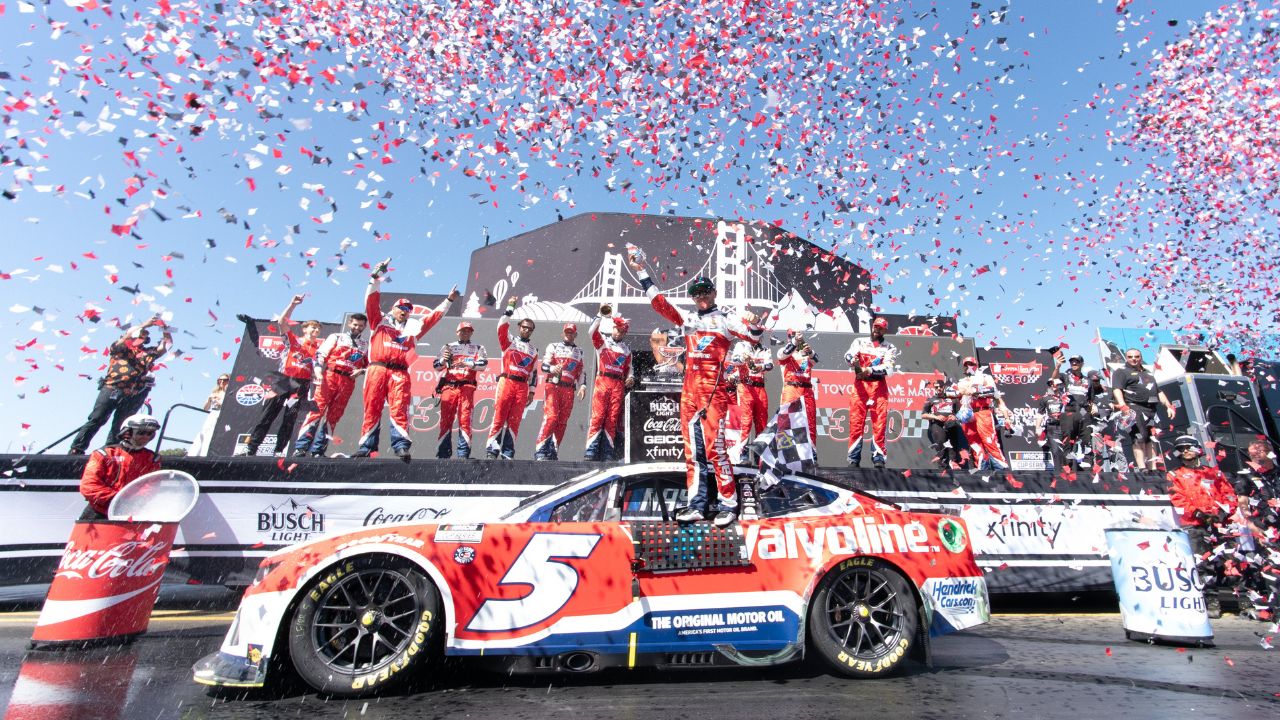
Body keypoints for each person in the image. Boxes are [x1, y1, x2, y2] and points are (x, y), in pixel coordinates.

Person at [628, 250, 762, 527]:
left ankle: (729, 503)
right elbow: (659, 303)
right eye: (696, 293)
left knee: (716, 451)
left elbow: (754, 336)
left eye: (705, 292)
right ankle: (696, 505)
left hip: (714, 393)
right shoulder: (687, 319)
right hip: (689, 393)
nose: (701, 297)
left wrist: (754, 322)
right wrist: (642, 269)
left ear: (713, 293)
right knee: (693, 454)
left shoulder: (726, 319)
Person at [357, 260, 459, 461]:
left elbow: (433, 317)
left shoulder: (413, 328)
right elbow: (371, 299)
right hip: (377, 369)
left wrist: (448, 300)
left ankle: (401, 446)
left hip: (400, 372)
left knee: (400, 408)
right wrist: (376, 277)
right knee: (372, 407)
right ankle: (367, 447)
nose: (404, 310)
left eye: (408, 308)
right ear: (394, 309)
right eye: (401, 307)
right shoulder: (379, 321)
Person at [69, 318, 173, 455]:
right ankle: (77, 449)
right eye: (140, 333)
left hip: (133, 394)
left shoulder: (147, 353)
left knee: (121, 424)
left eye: (145, 334)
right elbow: (125, 339)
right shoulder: (121, 348)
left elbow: (166, 345)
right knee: (97, 418)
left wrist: (164, 328)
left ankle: (111, 451)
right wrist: (145, 324)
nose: (142, 335)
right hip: (112, 388)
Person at [1166, 434, 1238, 618]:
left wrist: (1224, 512)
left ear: (1198, 449)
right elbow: (1178, 499)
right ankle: (1211, 601)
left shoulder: (1214, 472)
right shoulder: (1175, 475)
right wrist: (1198, 513)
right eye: (1181, 449)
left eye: (1188, 447)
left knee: (1232, 561)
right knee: (1204, 564)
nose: (1185, 451)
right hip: (1195, 525)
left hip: (1220, 524)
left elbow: (1229, 494)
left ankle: (1244, 600)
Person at [240, 295, 321, 457]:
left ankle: (279, 451)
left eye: (318, 329)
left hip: (301, 385)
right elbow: (281, 322)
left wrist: (315, 375)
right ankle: (251, 448)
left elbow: (317, 367)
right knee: (267, 415)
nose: (316, 331)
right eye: (312, 328)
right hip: (284, 380)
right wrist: (292, 304)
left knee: (289, 419)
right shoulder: (293, 339)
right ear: (304, 329)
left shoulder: (318, 348)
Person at [293, 312, 369, 457]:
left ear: (364, 327)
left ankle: (318, 450)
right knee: (316, 411)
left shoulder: (365, 345)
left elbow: (370, 365)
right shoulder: (336, 337)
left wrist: (361, 370)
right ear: (349, 324)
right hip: (330, 376)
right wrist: (318, 371)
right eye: (354, 324)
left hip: (347, 382)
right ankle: (301, 447)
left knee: (334, 416)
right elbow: (320, 355)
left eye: (360, 326)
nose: (357, 328)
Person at [78, 414, 162, 520]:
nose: (146, 436)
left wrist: (133, 502)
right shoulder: (104, 454)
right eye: (141, 432)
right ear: (127, 432)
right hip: (98, 513)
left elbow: (152, 487)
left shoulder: (152, 459)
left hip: (131, 514)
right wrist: (117, 500)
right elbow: (89, 486)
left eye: (150, 433)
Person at [486, 296, 539, 459]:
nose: (527, 330)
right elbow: (501, 326)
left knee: (515, 421)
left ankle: (507, 452)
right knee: (500, 416)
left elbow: (534, 373)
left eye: (530, 329)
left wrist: (531, 392)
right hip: (507, 381)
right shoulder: (510, 341)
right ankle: (492, 450)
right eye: (524, 327)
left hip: (522, 386)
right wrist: (510, 307)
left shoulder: (534, 350)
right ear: (519, 327)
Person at [844, 317, 898, 468]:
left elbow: (889, 369)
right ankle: (853, 459)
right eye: (875, 326)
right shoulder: (859, 342)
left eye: (880, 327)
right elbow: (848, 355)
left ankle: (878, 458)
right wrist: (852, 360)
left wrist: (869, 369)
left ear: (885, 330)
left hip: (878, 386)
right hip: (860, 386)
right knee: (856, 422)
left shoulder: (890, 347)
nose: (877, 329)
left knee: (879, 423)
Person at [1110, 348, 1177, 470]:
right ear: (1126, 358)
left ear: (1140, 357)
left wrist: (1168, 406)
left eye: (1136, 356)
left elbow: (1158, 391)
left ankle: (1153, 467)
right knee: (1139, 437)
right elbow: (1116, 389)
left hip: (1151, 409)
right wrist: (1122, 405)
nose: (1133, 359)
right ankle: (1142, 468)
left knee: (1151, 438)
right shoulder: (1121, 372)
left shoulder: (1148, 373)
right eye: (1130, 357)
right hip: (1134, 406)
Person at [584, 306, 633, 461]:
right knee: (598, 416)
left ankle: (607, 452)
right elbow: (591, 332)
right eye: (617, 329)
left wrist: (631, 378)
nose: (618, 333)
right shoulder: (603, 342)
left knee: (612, 419)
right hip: (603, 381)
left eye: (622, 331)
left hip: (618, 384)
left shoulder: (626, 350)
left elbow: (630, 369)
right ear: (613, 329)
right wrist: (600, 315)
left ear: (625, 333)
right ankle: (591, 451)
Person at [434, 321, 488, 459]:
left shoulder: (478, 348)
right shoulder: (448, 347)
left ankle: (463, 454)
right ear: (457, 332)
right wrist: (443, 361)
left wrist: (468, 363)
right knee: (446, 420)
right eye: (463, 330)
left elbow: (483, 365)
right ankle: (443, 453)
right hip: (449, 386)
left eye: (468, 331)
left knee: (465, 419)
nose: (465, 333)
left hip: (467, 386)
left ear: (471, 333)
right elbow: (436, 365)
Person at [534, 323, 588, 460]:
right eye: (567, 332)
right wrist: (552, 369)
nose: (569, 335)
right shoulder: (553, 346)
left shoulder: (579, 351)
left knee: (562, 421)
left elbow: (582, 372)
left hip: (569, 389)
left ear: (575, 335)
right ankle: (540, 450)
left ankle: (553, 451)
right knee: (551, 418)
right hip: (553, 385)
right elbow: (544, 365)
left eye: (571, 333)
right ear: (562, 333)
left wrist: (582, 386)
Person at [956, 357, 1011, 471]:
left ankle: (1001, 470)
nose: (969, 366)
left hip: (983, 411)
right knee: (974, 444)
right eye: (966, 364)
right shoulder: (962, 381)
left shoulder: (986, 377)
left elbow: (994, 394)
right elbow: (957, 394)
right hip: (968, 415)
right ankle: (982, 469)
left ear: (976, 365)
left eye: (971, 364)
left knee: (989, 440)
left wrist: (1006, 416)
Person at [731, 332, 774, 451]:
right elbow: (734, 360)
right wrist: (742, 358)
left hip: (760, 387)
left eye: (759, 334)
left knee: (762, 420)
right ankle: (742, 452)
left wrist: (762, 367)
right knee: (746, 420)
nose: (757, 337)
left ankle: (760, 453)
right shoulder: (742, 345)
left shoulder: (764, 349)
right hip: (745, 387)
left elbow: (770, 365)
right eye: (754, 334)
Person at [777, 332, 819, 446]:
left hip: (806, 390)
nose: (798, 339)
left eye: (799, 337)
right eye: (793, 337)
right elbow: (784, 354)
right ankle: (783, 454)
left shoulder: (805, 353)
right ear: (789, 338)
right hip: (791, 389)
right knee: (785, 422)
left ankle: (812, 456)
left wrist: (809, 351)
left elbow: (815, 359)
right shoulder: (783, 352)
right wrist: (795, 341)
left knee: (810, 422)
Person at [923, 377, 968, 470]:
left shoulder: (952, 399)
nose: (938, 389)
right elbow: (923, 415)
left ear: (944, 387)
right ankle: (942, 468)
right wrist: (936, 417)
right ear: (934, 388)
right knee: (940, 445)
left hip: (951, 424)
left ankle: (953, 463)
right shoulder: (931, 399)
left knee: (953, 444)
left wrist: (954, 417)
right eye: (936, 387)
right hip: (937, 424)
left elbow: (959, 412)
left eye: (940, 387)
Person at [188, 373, 229, 456]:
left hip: (221, 414)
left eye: (224, 380)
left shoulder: (229, 393)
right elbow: (205, 408)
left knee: (211, 434)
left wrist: (219, 402)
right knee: (203, 432)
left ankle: (204, 454)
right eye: (219, 380)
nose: (221, 382)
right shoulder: (214, 392)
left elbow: (228, 406)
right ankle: (194, 454)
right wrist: (210, 400)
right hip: (212, 413)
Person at [1037, 377, 1073, 470]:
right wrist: (1037, 427)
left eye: (1054, 384)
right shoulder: (1045, 398)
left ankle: (1070, 475)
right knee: (1056, 451)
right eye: (1050, 384)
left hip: (1066, 427)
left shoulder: (1067, 397)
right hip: (1052, 427)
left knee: (1068, 452)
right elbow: (1040, 414)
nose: (1052, 386)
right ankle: (1057, 476)